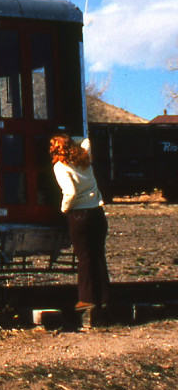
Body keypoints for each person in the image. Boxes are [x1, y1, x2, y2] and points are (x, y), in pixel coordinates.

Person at [49, 132, 110, 322]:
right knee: (98, 255)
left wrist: (64, 209)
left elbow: (71, 192)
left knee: (84, 258)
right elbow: (86, 140)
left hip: (79, 216)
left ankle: (87, 299)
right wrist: (70, 142)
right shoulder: (85, 158)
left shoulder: (60, 167)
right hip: (97, 214)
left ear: (56, 149)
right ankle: (104, 298)